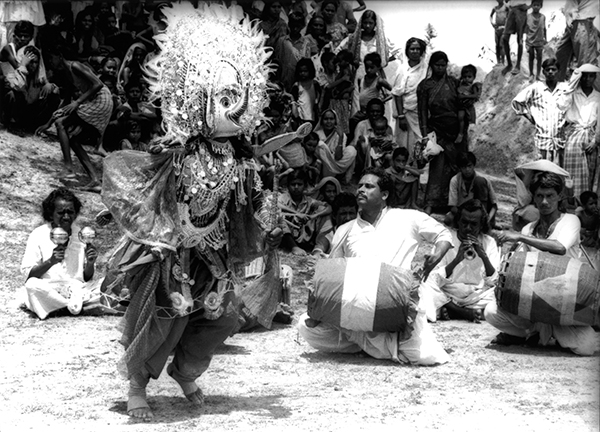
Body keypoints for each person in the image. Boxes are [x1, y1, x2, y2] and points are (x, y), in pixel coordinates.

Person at [99, 4, 285, 419]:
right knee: (166, 316)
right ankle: (137, 385)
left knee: (223, 317)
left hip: (214, 250)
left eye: (240, 98)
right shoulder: (179, 153)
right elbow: (150, 189)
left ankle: (185, 371)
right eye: (224, 98)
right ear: (195, 97)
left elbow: (254, 209)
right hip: (175, 249)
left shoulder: (243, 160)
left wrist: (268, 203)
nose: (235, 108)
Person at [298, 167, 452, 365]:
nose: (361, 189)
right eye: (360, 185)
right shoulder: (346, 230)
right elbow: (334, 272)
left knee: (428, 357)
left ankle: (368, 344)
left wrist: (436, 254)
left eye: (369, 186)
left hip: (395, 307)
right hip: (356, 310)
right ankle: (373, 344)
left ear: (385, 194)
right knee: (305, 326)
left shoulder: (408, 218)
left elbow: (443, 235)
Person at [487, 171, 596, 355]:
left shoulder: (571, 220)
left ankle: (541, 332)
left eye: (550, 196)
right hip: (534, 302)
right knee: (491, 312)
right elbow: (519, 265)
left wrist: (521, 236)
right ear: (534, 198)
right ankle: (533, 332)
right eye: (539, 196)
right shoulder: (529, 228)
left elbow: (559, 248)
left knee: (587, 347)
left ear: (559, 196)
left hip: (564, 303)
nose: (545, 202)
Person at [35, 44, 113, 189]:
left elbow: (98, 84)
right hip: (94, 102)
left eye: (51, 59)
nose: (50, 63)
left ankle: (69, 168)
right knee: (74, 140)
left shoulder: (75, 66)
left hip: (102, 100)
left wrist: (77, 103)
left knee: (61, 124)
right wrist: (48, 123)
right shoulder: (66, 74)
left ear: (59, 56)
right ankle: (94, 180)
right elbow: (65, 103)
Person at [20, 188, 101, 320]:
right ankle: (73, 306)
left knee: (105, 284)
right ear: (50, 214)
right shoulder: (38, 234)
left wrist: (90, 263)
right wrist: (50, 261)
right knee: (32, 286)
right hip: (49, 289)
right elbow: (28, 275)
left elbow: (86, 278)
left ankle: (63, 307)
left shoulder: (81, 235)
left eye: (70, 212)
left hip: (76, 289)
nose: (66, 217)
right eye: (61, 213)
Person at [422, 198, 500, 323]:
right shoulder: (446, 240)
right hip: (449, 293)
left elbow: (494, 281)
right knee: (424, 283)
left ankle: (449, 310)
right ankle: (463, 312)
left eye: (473, 224)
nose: (468, 228)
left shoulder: (489, 242)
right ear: (458, 221)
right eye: (464, 222)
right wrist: (456, 260)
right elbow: (434, 277)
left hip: (477, 296)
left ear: (481, 224)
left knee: (500, 296)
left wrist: (483, 257)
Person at [417, 51, 466, 215]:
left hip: (455, 130)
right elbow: (422, 111)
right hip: (436, 130)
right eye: (437, 65)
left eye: (443, 65)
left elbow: (462, 106)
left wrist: (461, 130)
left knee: (455, 166)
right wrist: (425, 134)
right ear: (431, 66)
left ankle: (454, 203)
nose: (440, 68)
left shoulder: (454, 83)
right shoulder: (425, 86)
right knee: (437, 167)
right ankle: (431, 202)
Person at [336, 9, 398, 119]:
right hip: (359, 74)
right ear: (361, 23)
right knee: (358, 103)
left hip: (376, 76)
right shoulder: (353, 38)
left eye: (371, 23)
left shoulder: (381, 39)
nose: (368, 25)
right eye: (365, 23)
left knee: (377, 104)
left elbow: (398, 51)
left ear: (375, 24)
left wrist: (383, 61)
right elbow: (338, 51)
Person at [512, 58, 569, 165]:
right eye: (548, 69)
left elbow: (573, 105)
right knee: (543, 172)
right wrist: (530, 118)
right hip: (542, 139)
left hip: (560, 140)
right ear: (543, 72)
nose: (551, 72)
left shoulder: (564, 88)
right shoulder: (536, 87)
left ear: (559, 71)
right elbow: (517, 102)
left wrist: (568, 121)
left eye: (553, 69)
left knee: (559, 171)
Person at [558, 64, 600, 197]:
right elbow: (561, 106)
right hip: (574, 137)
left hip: (591, 137)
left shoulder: (598, 96)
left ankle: (586, 206)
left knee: (590, 173)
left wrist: (595, 141)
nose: (588, 79)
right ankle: (570, 203)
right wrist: (571, 84)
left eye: (591, 76)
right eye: (585, 76)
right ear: (581, 78)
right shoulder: (573, 93)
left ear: (595, 78)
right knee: (572, 174)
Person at [3, 45, 59, 134]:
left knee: (53, 95)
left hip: (28, 113)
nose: (33, 65)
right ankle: (12, 125)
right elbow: (18, 86)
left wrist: (49, 85)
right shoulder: (14, 74)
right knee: (13, 94)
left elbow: (56, 91)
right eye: (30, 62)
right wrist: (23, 66)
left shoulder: (39, 79)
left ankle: (37, 127)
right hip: (16, 112)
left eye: (35, 62)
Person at [279, 168, 332, 255]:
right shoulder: (283, 198)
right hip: (286, 237)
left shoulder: (309, 201)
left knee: (325, 215)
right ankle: (294, 247)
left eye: (299, 184)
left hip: (303, 236)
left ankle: (319, 249)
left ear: (304, 186)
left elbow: (328, 207)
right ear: (288, 186)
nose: (296, 187)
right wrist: (297, 214)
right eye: (293, 184)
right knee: (278, 216)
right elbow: (276, 204)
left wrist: (314, 216)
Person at [392, 37, 428, 157]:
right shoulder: (402, 69)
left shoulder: (427, 69)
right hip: (405, 113)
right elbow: (397, 93)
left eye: (418, 49)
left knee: (419, 144)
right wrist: (401, 116)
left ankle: (416, 172)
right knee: (402, 144)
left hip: (421, 114)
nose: (415, 51)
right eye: (412, 49)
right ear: (407, 51)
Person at [445, 152, 498, 228]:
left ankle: (484, 224)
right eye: (464, 167)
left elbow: (494, 206)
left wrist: (488, 218)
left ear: (473, 165)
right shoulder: (455, 180)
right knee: (448, 219)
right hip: (464, 213)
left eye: (469, 166)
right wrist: (466, 217)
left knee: (479, 181)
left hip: (483, 213)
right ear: (460, 168)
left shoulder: (484, 179)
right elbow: (453, 206)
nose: (467, 170)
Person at [349, 52, 391, 136]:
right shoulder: (361, 79)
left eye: (372, 67)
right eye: (366, 67)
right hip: (362, 111)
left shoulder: (379, 80)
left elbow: (393, 92)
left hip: (373, 113)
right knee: (353, 122)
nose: (368, 70)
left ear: (378, 67)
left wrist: (382, 101)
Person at [555, 0, 599, 82]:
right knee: (560, 53)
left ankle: (583, 88)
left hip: (582, 21)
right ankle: (559, 81)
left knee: (584, 60)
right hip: (574, 22)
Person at [314, 108, 356, 183]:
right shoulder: (317, 134)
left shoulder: (340, 135)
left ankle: (340, 177)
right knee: (321, 145)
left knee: (351, 150)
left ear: (335, 120)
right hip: (321, 162)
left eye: (331, 119)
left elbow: (338, 157)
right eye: (326, 119)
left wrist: (340, 137)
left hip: (335, 161)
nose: (329, 122)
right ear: (322, 121)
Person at [312, 191, 357, 257]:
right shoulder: (328, 236)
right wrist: (317, 255)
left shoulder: (363, 233)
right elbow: (319, 249)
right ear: (334, 215)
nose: (348, 218)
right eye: (343, 214)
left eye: (351, 213)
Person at [501, 0, 529, 76]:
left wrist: (530, 5)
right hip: (512, 9)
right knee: (505, 38)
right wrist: (507, 4)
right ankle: (509, 65)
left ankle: (518, 65)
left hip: (521, 10)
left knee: (519, 39)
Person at [291, 57, 322, 126]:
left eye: (305, 71)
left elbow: (319, 96)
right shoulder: (297, 85)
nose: (303, 73)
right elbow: (294, 101)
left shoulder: (315, 84)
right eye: (301, 71)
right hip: (301, 117)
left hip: (313, 115)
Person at [455, 64, 482, 144]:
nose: (467, 79)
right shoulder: (460, 84)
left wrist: (463, 97)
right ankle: (460, 133)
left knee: (470, 122)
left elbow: (475, 95)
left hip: (468, 106)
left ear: (474, 77)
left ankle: (467, 136)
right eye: (465, 77)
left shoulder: (473, 86)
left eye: (469, 77)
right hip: (461, 106)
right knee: (460, 117)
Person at [526, 0, 546, 83]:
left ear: (541, 6)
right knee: (531, 57)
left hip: (540, 39)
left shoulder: (543, 17)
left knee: (539, 58)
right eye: (534, 5)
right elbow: (525, 28)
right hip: (530, 39)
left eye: (538, 5)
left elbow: (544, 28)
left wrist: (545, 38)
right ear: (532, 6)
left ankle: (538, 74)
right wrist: (524, 40)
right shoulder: (528, 16)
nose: (536, 7)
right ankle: (531, 74)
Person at [490, 0, 508, 65]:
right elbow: (491, 16)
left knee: (501, 45)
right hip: (497, 29)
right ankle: (498, 62)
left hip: (504, 28)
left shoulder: (506, 7)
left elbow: (511, 15)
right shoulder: (495, 8)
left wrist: (506, 25)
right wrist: (492, 23)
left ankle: (502, 62)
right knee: (497, 45)